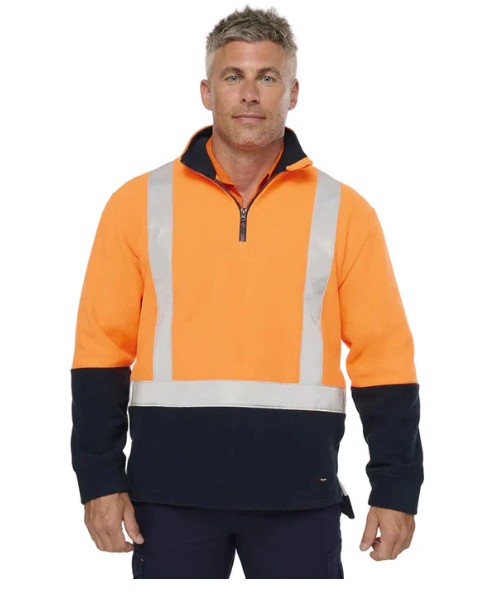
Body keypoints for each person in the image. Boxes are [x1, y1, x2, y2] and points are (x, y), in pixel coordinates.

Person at [70, 5, 424, 579]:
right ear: (206, 91)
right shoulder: (137, 204)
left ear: (294, 92)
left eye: (268, 76)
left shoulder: (344, 212)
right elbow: (99, 352)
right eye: (234, 76)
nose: (250, 94)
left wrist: (397, 486)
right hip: (168, 496)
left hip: (299, 495)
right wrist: (98, 480)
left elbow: (384, 356)